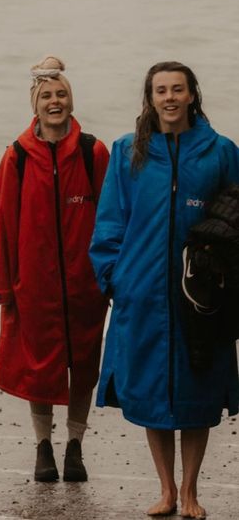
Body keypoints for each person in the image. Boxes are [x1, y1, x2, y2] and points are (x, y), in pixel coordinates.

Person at [90, 61, 239, 519]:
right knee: (153, 392)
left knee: (198, 391)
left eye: (178, 89)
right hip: (142, 291)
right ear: (149, 98)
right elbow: (110, 221)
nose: (169, 97)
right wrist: (114, 276)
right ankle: (166, 490)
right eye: (161, 90)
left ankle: (191, 491)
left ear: (193, 94)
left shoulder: (220, 151)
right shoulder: (127, 151)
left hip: (201, 295)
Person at [0, 56, 109, 482]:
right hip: (34, 285)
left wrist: (108, 276)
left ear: (71, 102)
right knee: (39, 368)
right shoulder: (18, 157)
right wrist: (5, 286)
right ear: (34, 105)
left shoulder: (94, 151)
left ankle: (75, 446)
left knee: (83, 367)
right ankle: (43, 446)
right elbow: (0, 223)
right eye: (46, 96)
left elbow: (112, 219)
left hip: (84, 285)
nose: (54, 102)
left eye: (61, 95)